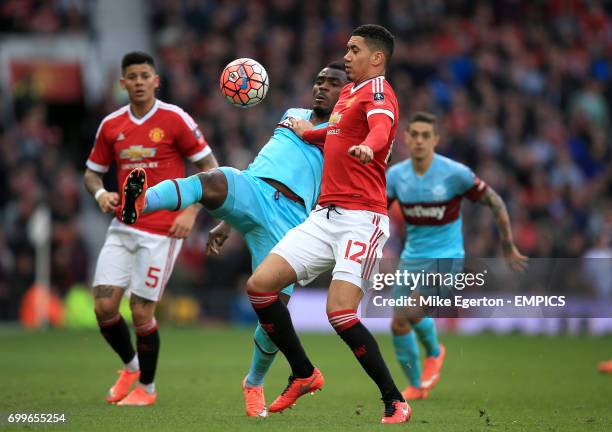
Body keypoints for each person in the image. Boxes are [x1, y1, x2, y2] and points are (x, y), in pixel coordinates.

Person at [119, 62, 348, 416]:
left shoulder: (346, 131)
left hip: (290, 220)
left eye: (333, 83)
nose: (322, 88)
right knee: (212, 179)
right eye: (318, 81)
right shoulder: (292, 114)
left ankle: (253, 382)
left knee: (273, 314)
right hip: (253, 188)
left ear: (347, 92)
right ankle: (141, 201)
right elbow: (264, 162)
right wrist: (228, 220)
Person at [244, 24, 409, 424]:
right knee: (260, 286)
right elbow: (337, 133)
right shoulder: (349, 93)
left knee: (340, 313)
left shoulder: (377, 91)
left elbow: (381, 126)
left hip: (361, 219)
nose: (347, 56)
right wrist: (311, 132)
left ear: (377, 58)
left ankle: (394, 400)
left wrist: (370, 146)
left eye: (354, 50)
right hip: (324, 215)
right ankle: (304, 372)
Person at [83, 51, 218, 406]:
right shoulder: (111, 125)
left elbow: (209, 167)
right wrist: (99, 194)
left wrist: (190, 212)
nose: (140, 81)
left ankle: (148, 388)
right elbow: (91, 172)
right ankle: (130, 367)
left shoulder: (175, 119)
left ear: (156, 81)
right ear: (122, 82)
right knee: (104, 308)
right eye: (133, 76)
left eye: (146, 75)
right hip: (123, 226)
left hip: (162, 229)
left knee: (141, 312)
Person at [386, 111, 527, 400]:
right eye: (415, 135)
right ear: (407, 138)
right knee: (398, 323)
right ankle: (415, 386)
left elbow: (495, 201)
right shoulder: (396, 177)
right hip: (412, 256)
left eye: (427, 135)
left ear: (436, 140)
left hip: (447, 256)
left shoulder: (454, 173)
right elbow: (374, 213)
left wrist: (508, 245)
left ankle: (435, 352)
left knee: (410, 311)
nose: (420, 141)